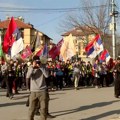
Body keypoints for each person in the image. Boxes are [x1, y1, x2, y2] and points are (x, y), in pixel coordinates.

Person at [26, 56, 53, 120]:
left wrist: (40, 67)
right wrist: (33, 67)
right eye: (35, 61)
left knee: (43, 109)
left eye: (38, 61)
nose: (37, 62)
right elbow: (28, 76)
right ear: (33, 61)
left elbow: (46, 75)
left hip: (42, 90)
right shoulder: (30, 67)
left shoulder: (43, 67)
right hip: (33, 91)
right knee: (31, 109)